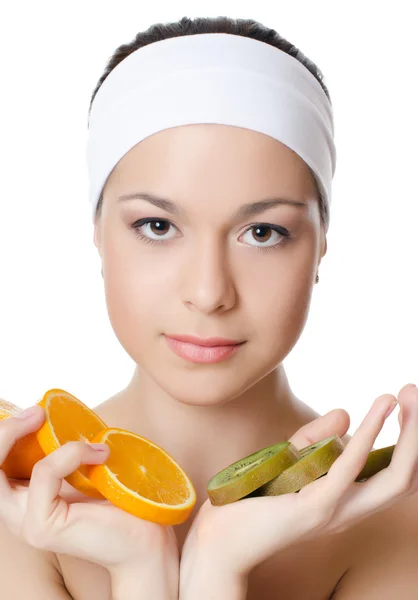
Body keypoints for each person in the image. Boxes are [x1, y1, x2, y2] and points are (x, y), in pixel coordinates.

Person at [0, 15, 417, 600]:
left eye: (264, 233)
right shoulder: (19, 513)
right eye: (157, 225)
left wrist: (218, 567)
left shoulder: (392, 520)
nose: (208, 291)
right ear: (96, 232)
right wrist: (140, 566)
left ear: (322, 243)